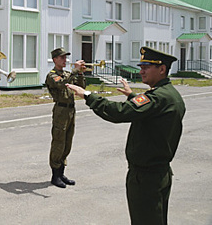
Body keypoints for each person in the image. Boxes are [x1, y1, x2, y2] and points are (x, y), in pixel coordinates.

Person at [66, 46, 186, 225]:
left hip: (145, 177)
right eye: (141, 66)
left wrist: (88, 96)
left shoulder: (158, 97)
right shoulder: (169, 94)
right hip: (158, 173)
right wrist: (132, 96)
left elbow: (119, 113)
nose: (141, 71)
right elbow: (151, 113)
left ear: (162, 69)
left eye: (146, 67)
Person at [44, 47, 85, 188]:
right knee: (59, 142)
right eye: (61, 58)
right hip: (60, 110)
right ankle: (55, 175)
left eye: (65, 57)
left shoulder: (67, 74)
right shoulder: (52, 75)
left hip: (71, 109)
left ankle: (61, 173)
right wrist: (75, 71)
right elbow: (61, 84)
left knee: (68, 141)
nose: (65, 60)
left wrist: (80, 74)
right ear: (55, 60)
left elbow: (81, 88)